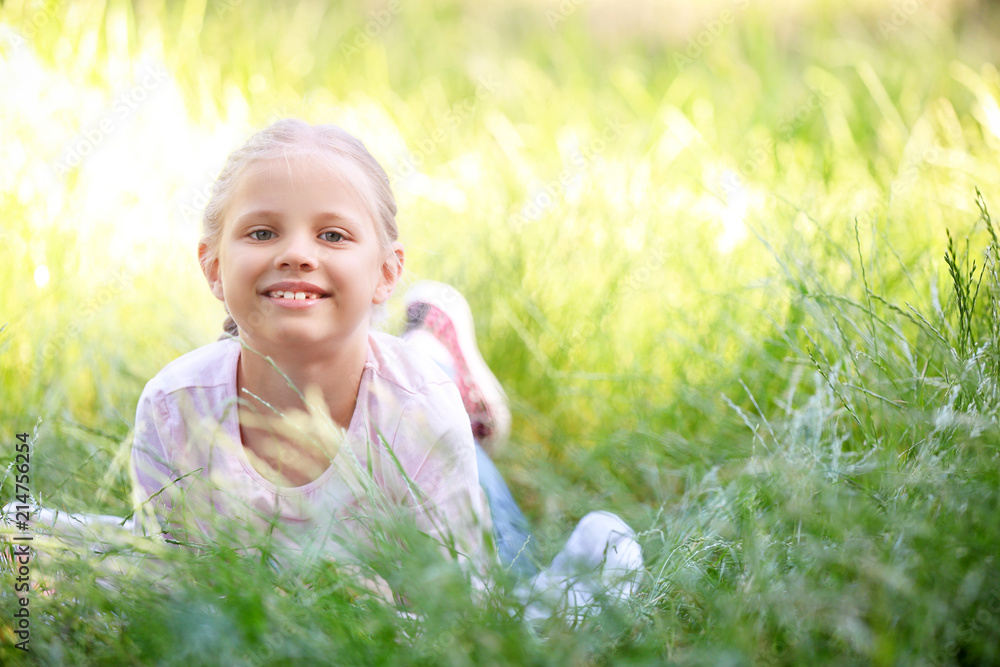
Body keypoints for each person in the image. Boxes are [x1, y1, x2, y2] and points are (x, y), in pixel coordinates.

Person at [128, 118, 642, 611]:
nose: (296, 253)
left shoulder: (421, 413)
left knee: (517, 593)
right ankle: (431, 346)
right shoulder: (175, 409)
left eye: (332, 235)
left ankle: (433, 356)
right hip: (406, 417)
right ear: (214, 267)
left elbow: (460, 610)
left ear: (386, 272)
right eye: (262, 233)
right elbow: (165, 587)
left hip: (419, 433)